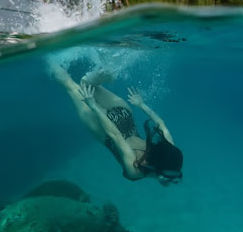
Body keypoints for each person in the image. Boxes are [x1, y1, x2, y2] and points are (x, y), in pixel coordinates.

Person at [50, 64, 183, 185]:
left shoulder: (168, 148)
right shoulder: (135, 170)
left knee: (86, 84)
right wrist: (94, 107)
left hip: (125, 118)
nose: (168, 181)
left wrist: (142, 105)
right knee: (71, 85)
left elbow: (160, 123)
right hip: (104, 131)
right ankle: (51, 61)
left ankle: (106, 70)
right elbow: (115, 136)